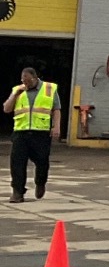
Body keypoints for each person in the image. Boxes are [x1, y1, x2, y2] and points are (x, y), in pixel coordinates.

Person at [7, 61, 62, 202]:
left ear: (35, 77)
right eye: (23, 80)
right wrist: (15, 95)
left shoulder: (49, 88)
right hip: (21, 132)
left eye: (28, 80)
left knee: (42, 161)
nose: (26, 83)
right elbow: (7, 109)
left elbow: (56, 110)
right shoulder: (17, 90)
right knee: (17, 163)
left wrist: (56, 127)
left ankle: (40, 182)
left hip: (41, 133)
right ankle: (17, 192)